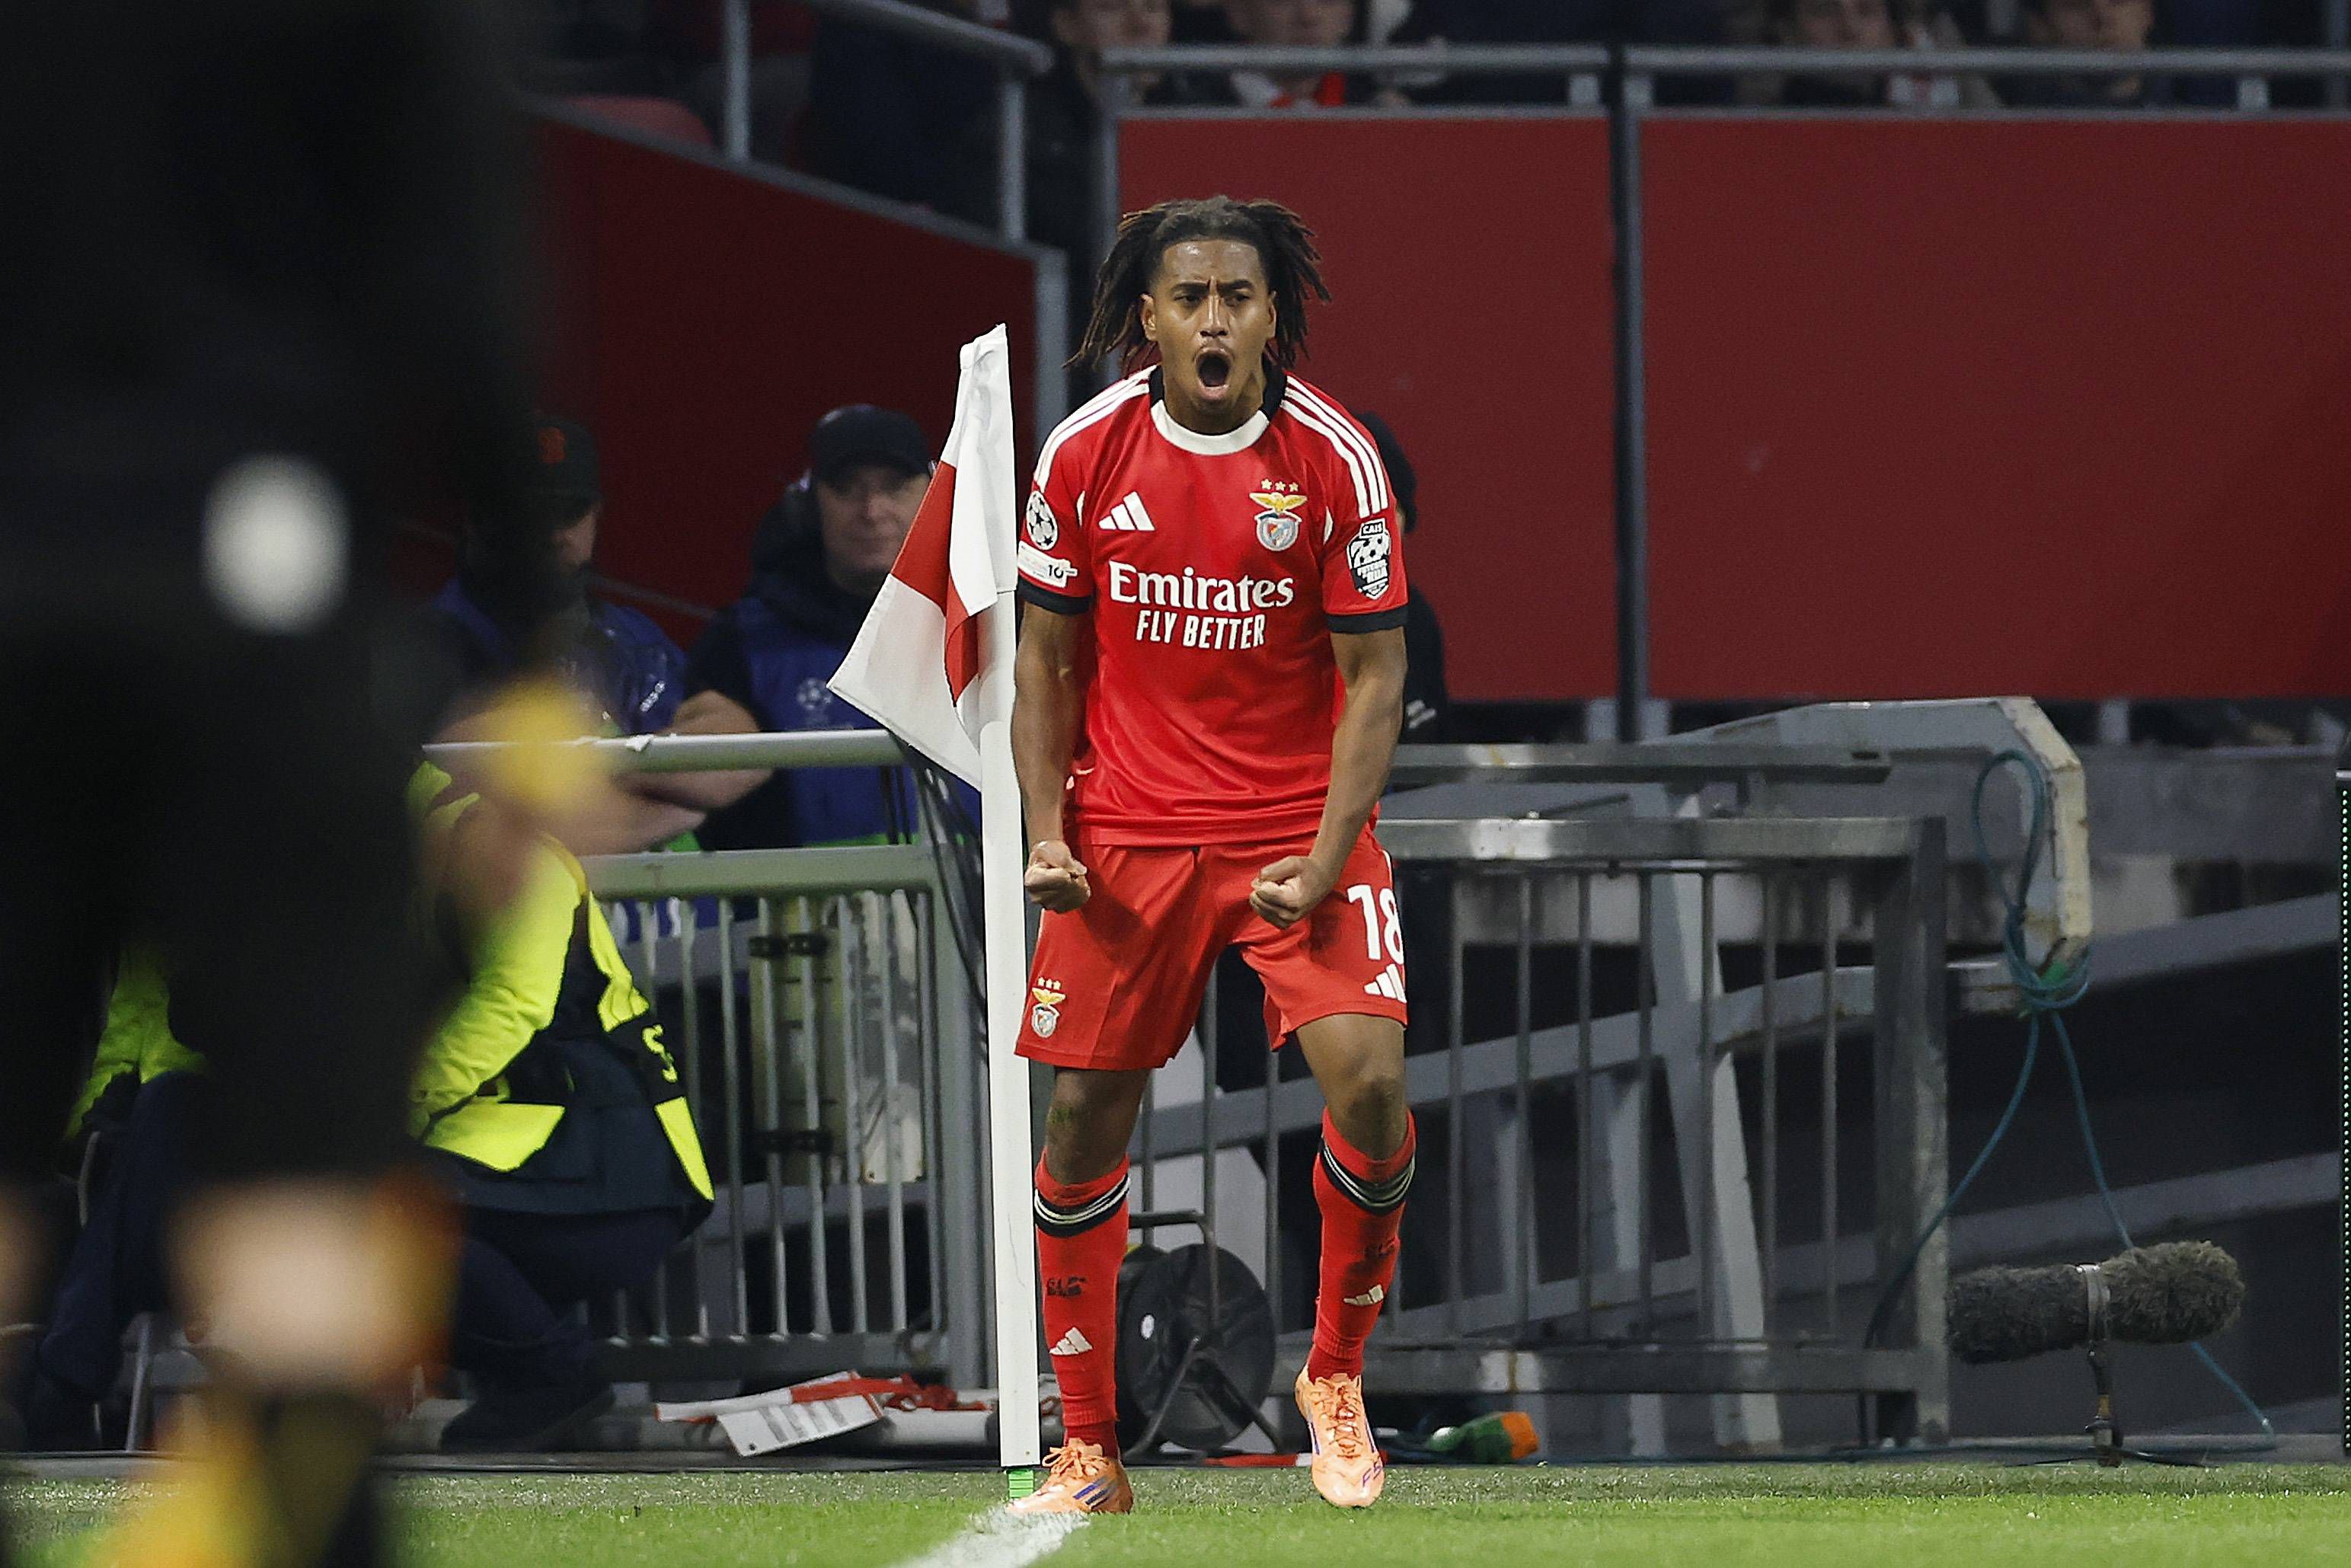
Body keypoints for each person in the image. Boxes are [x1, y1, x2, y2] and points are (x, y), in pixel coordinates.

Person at [0, 0, 586, 1560]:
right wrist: (534, 644)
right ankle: (282, 1500)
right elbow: (468, 276)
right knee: (297, 1206)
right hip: (258, 605)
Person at [1007, 196, 1413, 1516]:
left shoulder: (1336, 459)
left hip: (1295, 821)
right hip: (1128, 827)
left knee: (1370, 1085)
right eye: (1190, 298)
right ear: (1150, 317)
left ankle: (1332, 1374)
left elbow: (1375, 678)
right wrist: (1047, 831)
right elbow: (1043, 661)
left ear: (1270, 311)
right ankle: (1086, 1442)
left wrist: (1331, 851)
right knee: (1081, 1118)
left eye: (1238, 295)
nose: (1215, 318)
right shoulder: (1082, 452)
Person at [408, 764, 713, 1452]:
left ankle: (550, 1376)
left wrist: (386, 1118)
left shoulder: (502, 850)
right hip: (541, 1163)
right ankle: (533, 1378)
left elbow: (513, 1001)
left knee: (376, 1206)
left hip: (614, 1173)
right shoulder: (415, 861)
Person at [685, 405, 939, 850]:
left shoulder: (994, 627)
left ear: (934, 496)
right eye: (847, 489)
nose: (871, 510)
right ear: (808, 504)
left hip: (978, 896)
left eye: (894, 487)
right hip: (795, 899)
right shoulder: (742, 644)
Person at [423, 413, 688, 740]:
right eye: (533, 515)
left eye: (571, 513)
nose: (555, 535)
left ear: (596, 515)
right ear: (476, 521)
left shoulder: (635, 646)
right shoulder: (425, 650)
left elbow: (708, 737)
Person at [1352, 413, 1449, 744]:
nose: (1373, 535)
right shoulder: (1274, 613)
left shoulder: (1415, 619)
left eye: (1388, 512)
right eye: (1356, 514)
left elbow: (1430, 750)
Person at [2006, 0, 2163, 106]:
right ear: (2039, 25)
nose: (2103, 18)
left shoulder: (2177, 112)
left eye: (2118, 1)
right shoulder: (2012, 129)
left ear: (2147, 12)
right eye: (2078, 4)